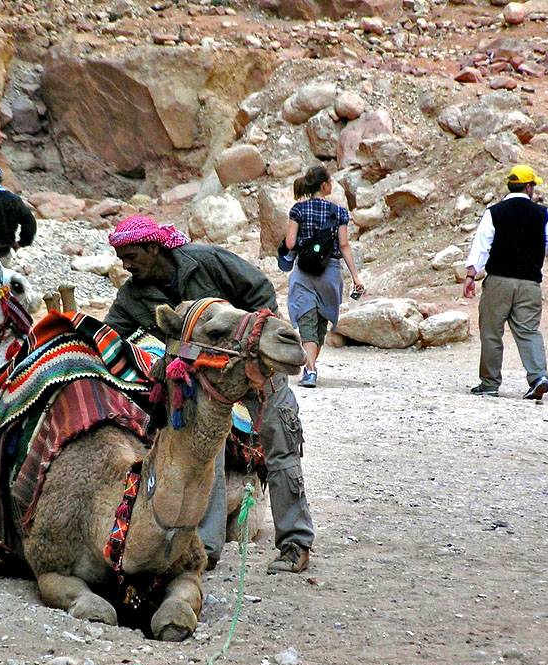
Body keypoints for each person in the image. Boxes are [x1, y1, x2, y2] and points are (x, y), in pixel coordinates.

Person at [105, 215, 314, 574]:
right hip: (205, 382)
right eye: (122, 257)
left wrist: (256, 345)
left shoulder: (207, 261)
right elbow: (108, 337)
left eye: (131, 256)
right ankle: (206, 547)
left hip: (253, 364)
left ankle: (295, 543)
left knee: (281, 442)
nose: (126, 265)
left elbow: (261, 290)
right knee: (204, 454)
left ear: (154, 248)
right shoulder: (132, 296)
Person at [463, 164, 548, 400]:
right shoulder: (543, 214)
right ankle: (538, 376)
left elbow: (481, 246)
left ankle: (489, 384)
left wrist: (471, 275)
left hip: (498, 282)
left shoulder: (494, 212)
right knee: (529, 331)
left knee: (491, 333)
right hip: (529, 284)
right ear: (529, 187)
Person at [283, 165, 364, 387]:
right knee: (319, 324)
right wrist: (356, 277)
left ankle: (310, 371)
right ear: (325, 185)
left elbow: (290, 244)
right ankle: (310, 369)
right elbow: (344, 245)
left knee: (306, 320)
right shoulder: (339, 213)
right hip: (329, 273)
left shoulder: (298, 211)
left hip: (304, 272)